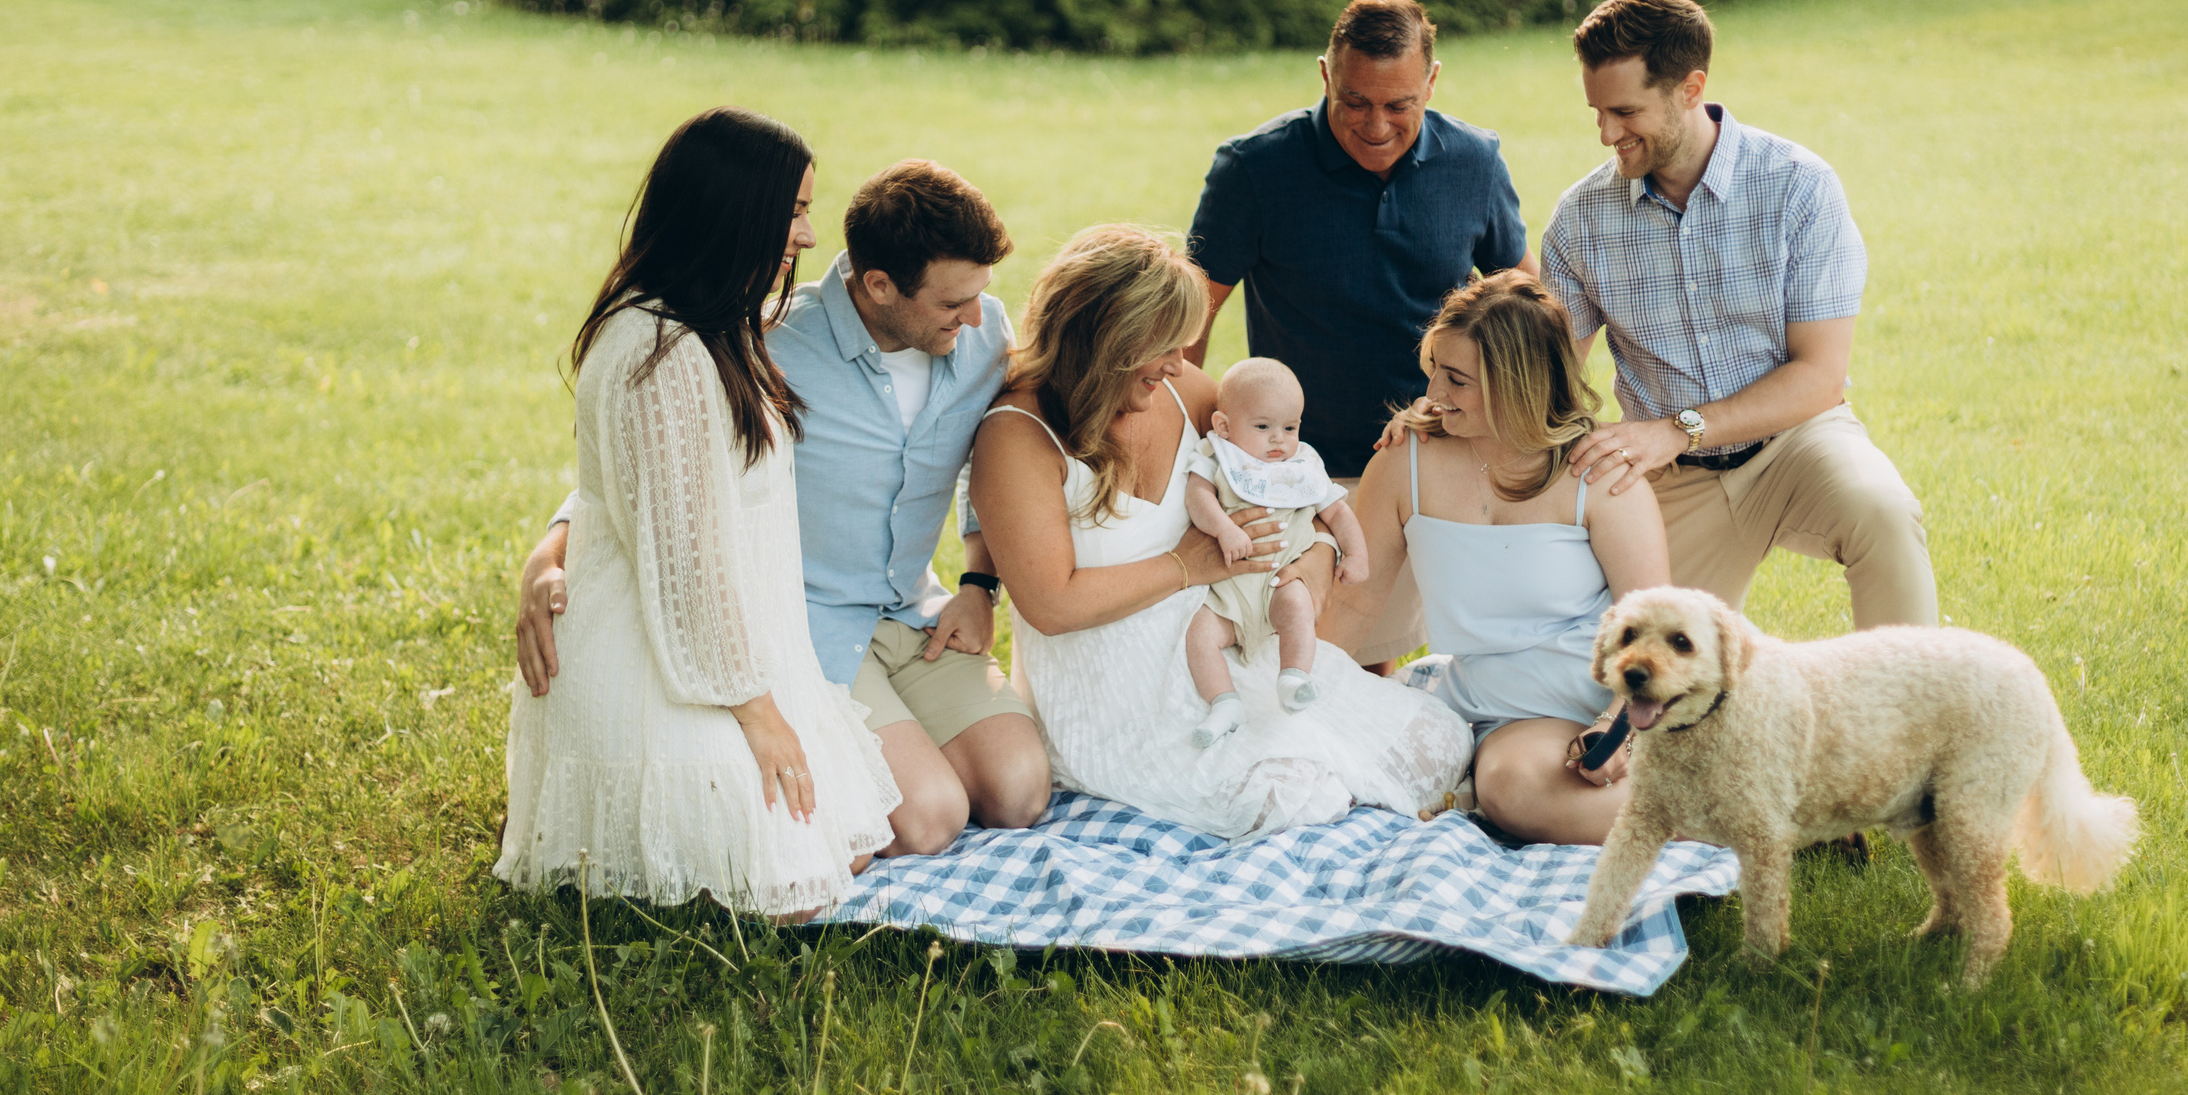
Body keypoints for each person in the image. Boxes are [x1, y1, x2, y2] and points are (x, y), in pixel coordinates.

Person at [517, 160, 1053, 859]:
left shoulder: (981, 330)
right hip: (808, 626)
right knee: (929, 818)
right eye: (953, 303)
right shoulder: (766, 341)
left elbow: (990, 453)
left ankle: (896, 747)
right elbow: (647, 469)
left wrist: (980, 583)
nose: (975, 316)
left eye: (980, 295)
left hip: (915, 614)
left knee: (1019, 791)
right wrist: (548, 552)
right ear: (880, 285)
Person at [495, 108, 900, 917]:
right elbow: (685, 567)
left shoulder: (716, 326)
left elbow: (627, 494)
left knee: (849, 844)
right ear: (733, 212)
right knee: (789, 896)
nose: (810, 237)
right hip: (662, 651)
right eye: (793, 211)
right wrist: (756, 712)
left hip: (730, 639)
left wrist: (550, 544)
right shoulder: (661, 352)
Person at [972, 225, 1471, 839]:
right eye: (1162, 346)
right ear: (1108, 341)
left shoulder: (1180, 393)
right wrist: (1189, 566)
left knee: (1436, 744)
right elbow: (1050, 604)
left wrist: (1316, 551)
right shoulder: (1018, 436)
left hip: (1230, 643)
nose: (1180, 364)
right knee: (1291, 801)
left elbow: (1281, 470)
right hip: (1114, 692)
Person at [1542, 0, 1936, 631]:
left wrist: (1675, 426)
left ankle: (1912, 714)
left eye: (1625, 110)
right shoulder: (1580, 219)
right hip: (1671, 476)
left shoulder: (1798, 186)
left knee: (1884, 513)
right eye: (1597, 111)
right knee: (1621, 685)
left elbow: (1820, 376)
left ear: (1690, 87)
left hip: (1798, 441)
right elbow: (1545, 376)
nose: (1607, 133)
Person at [1186, 0, 1539, 671]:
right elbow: (1188, 322)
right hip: (1298, 466)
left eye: (1399, 104)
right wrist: (1204, 450)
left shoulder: (1475, 161)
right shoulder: (1254, 169)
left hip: (1435, 451)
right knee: (1323, 659)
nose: (1375, 125)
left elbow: (1525, 302)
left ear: (1431, 83)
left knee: (1484, 649)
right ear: (1325, 75)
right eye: (1354, 101)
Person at [1331, 272, 1671, 844]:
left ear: (1516, 385)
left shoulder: (1598, 473)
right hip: (1497, 707)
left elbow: (1654, 626)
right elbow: (1356, 600)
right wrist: (1295, 694)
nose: (1433, 393)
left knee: (1512, 793)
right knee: (1503, 785)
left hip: (1607, 699)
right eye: (1434, 367)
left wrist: (1619, 728)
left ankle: (1749, 817)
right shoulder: (1404, 460)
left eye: (1456, 379)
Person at [1179, 357, 1370, 747]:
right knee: (1198, 633)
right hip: (1228, 594)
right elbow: (1198, 496)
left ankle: (1294, 677)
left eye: (1290, 427)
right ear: (1224, 426)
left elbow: (1337, 510)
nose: (1279, 439)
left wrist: (1355, 554)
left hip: (1280, 583)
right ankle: (1223, 702)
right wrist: (1224, 527)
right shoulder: (1217, 457)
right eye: (1263, 427)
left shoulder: (1301, 465)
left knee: (1297, 608)